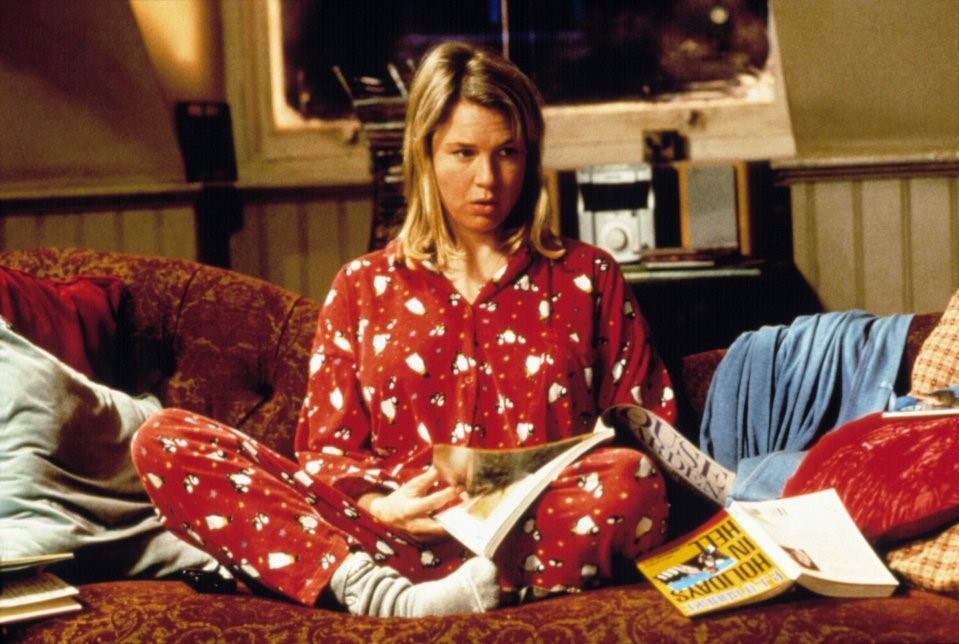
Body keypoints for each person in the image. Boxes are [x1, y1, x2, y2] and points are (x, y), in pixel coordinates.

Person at [130, 41, 677, 617]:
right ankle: (387, 594)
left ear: (530, 157)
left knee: (632, 477)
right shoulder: (361, 286)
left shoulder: (588, 277)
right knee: (163, 439)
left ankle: (454, 589)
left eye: (507, 153)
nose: (487, 178)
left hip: (539, 530)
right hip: (386, 543)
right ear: (425, 154)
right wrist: (381, 509)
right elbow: (326, 452)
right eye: (463, 153)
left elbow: (651, 433)